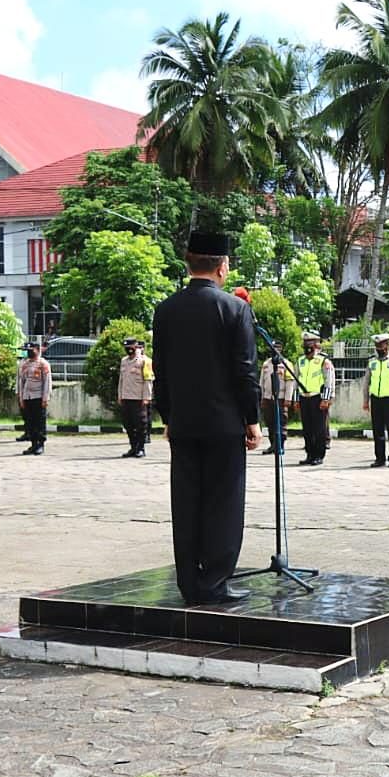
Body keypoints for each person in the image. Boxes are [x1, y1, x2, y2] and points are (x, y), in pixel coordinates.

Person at [153, 230, 261, 604]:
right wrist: (252, 419)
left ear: (188, 263)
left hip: (183, 423)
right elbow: (244, 371)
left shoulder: (166, 309)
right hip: (224, 424)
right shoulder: (235, 308)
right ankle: (215, 582)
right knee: (224, 504)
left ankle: (188, 583)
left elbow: (161, 371)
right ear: (223, 266)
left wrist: (167, 415)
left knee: (186, 504)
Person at [362, 333, 389, 468]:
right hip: (376, 399)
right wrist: (365, 400)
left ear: (387, 345)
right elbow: (366, 382)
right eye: (377, 346)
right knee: (378, 430)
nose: (379, 348)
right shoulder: (372, 361)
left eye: (381, 345)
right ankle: (379, 458)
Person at [292, 331, 334, 466]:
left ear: (316, 345)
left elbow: (329, 381)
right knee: (307, 428)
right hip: (304, 398)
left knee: (319, 429)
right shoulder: (300, 361)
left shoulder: (323, 360)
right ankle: (309, 454)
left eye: (309, 343)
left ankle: (319, 455)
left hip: (318, 398)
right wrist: (296, 399)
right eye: (305, 344)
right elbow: (295, 381)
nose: (306, 346)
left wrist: (326, 399)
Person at [118, 337, 154, 458]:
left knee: (140, 425)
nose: (128, 350)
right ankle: (133, 447)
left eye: (130, 347)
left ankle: (141, 448)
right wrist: (120, 395)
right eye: (126, 348)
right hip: (126, 397)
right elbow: (121, 380)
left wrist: (146, 397)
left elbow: (148, 380)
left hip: (139, 398)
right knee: (128, 424)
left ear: (136, 346)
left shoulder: (145, 361)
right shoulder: (124, 361)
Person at [17, 342, 52, 456]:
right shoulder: (25, 364)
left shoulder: (43, 364)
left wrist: (45, 398)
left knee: (39, 422)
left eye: (30, 350)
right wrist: (21, 398)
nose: (28, 352)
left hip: (38, 397)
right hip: (27, 397)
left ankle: (40, 444)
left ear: (37, 350)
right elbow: (21, 382)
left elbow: (47, 382)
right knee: (30, 422)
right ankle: (33, 444)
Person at [259, 341, 292, 456]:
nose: (275, 350)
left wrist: (288, 398)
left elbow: (290, 382)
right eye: (273, 348)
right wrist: (262, 397)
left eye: (277, 348)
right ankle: (273, 445)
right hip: (268, 398)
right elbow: (261, 382)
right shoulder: (266, 364)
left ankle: (280, 446)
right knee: (270, 422)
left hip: (281, 398)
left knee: (281, 423)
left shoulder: (286, 363)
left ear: (281, 349)